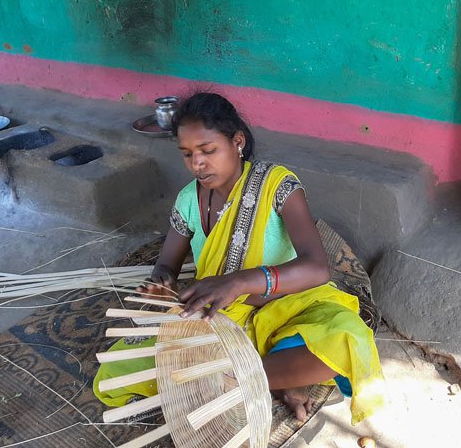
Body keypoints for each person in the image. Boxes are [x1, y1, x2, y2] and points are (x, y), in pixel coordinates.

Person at [94, 92, 384, 425]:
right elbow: (166, 266)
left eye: (208, 150)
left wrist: (240, 280)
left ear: (238, 142)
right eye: (187, 154)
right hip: (223, 317)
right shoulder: (189, 200)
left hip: (291, 303)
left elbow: (317, 268)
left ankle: (239, 377)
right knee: (119, 368)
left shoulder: (277, 184)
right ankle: (271, 378)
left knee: (347, 336)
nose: (197, 164)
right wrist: (161, 284)